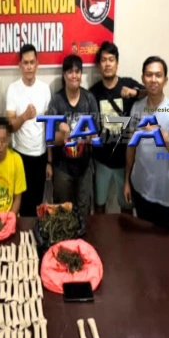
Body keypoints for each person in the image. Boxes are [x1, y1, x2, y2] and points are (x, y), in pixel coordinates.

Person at [124, 56, 169, 233]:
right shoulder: (137, 108)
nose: (153, 79)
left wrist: (161, 133)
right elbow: (131, 147)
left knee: (163, 243)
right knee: (142, 238)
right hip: (139, 187)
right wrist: (127, 180)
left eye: (158, 75)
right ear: (143, 78)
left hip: (165, 194)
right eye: (149, 75)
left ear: (165, 80)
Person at [90, 41, 146, 215]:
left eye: (111, 59)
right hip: (101, 161)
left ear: (117, 63)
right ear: (99, 65)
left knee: (127, 207)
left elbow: (150, 93)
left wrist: (135, 93)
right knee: (99, 206)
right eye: (103, 60)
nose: (107, 64)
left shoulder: (128, 84)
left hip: (125, 161)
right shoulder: (93, 92)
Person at [47, 54, 99, 217]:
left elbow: (96, 136)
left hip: (85, 167)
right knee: (62, 212)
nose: (74, 75)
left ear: (81, 74)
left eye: (77, 71)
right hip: (62, 168)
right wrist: (63, 135)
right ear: (64, 75)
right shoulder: (56, 101)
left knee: (84, 211)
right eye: (70, 72)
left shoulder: (89, 99)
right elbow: (50, 139)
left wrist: (87, 135)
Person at [6, 44, 51, 217]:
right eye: (25, 63)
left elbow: (48, 126)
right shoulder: (13, 89)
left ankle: (35, 233)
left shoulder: (44, 89)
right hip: (20, 155)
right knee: (22, 204)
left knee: (38, 204)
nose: (29, 67)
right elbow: (10, 127)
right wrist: (24, 116)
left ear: (37, 64)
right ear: (20, 65)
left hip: (40, 155)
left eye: (32, 62)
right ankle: (24, 234)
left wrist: (49, 161)